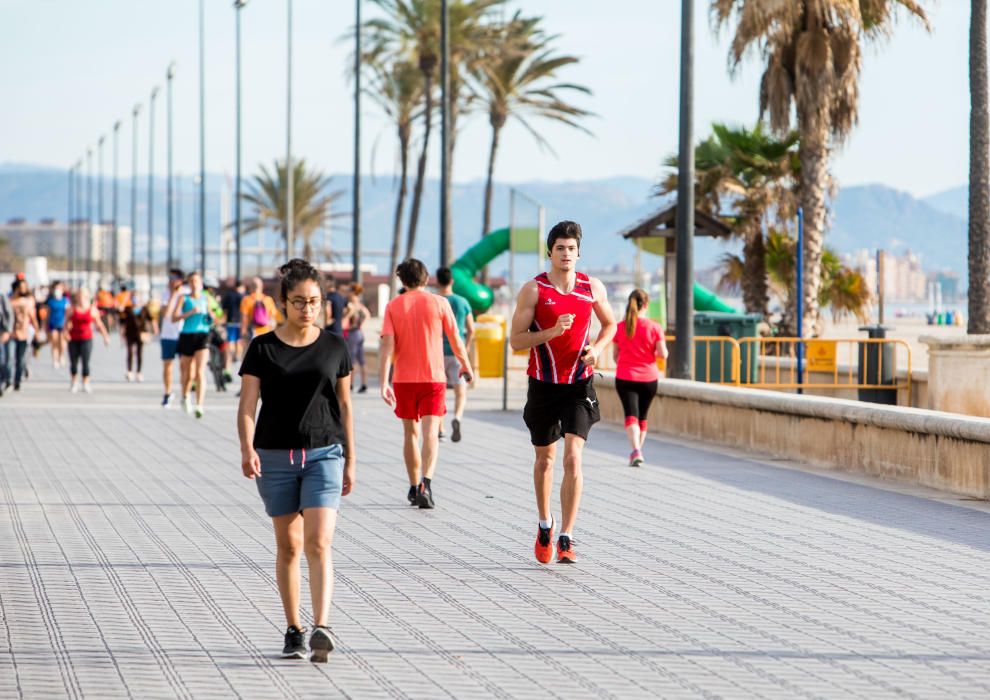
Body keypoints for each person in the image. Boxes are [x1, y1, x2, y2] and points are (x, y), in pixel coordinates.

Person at [238, 259, 355, 663]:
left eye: (314, 302)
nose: (308, 309)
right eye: (299, 302)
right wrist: (246, 447)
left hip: (325, 452)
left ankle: (322, 625)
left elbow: (345, 405)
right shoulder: (262, 348)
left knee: (318, 542)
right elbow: (248, 405)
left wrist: (352, 459)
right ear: (282, 303)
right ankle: (294, 629)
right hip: (273, 456)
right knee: (288, 546)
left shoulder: (335, 346)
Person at [509, 220, 617, 564]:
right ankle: (545, 525)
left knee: (573, 458)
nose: (566, 254)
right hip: (543, 384)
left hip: (579, 383)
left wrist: (597, 348)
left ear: (579, 252)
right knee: (545, 460)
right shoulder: (534, 290)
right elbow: (516, 341)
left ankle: (567, 536)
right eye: (560, 248)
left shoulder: (592, 287)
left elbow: (611, 324)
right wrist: (552, 332)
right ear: (550, 252)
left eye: (571, 249)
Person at [379, 258, 472, 509]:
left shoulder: (393, 306)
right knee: (431, 433)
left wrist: (383, 382)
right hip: (434, 378)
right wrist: (466, 365)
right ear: (426, 277)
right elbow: (456, 338)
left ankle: (412, 486)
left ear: (402, 280)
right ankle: (426, 483)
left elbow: (387, 347)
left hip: (404, 379)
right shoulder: (439, 302)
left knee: (410, 433)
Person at [612, 289, 668, 467]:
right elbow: (663, 354)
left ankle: (636, 450)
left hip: (625, 376)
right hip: (649, 379)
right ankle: (637, 451)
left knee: (631, 414)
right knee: (642, 416)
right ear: (646, 305)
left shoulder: (620, 327)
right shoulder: (655, 327)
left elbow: (615, 356)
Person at [435, 266, 475, 443]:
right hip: (457, 352)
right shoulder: (462, 302)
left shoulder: (434, 301)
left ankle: (441, 429)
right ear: (452, 281)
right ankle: (457, 417)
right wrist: (465, 348)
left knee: (439, 392)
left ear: (437, 281)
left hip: (436, 352)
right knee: (460, 391)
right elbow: (471, 329)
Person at [173, 271, 221, 417]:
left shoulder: (207, 298)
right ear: (189, 284)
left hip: (203, 335)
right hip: (187, 335)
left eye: (197, 281)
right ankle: (186, 396)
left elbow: (217, 316)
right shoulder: (184, 298)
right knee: (188, 372)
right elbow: (174, 318)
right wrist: (190, 312)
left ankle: (199, 405)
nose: (194, 284)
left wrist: (212, 317)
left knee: (200, 371)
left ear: (201, 284)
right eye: (192, 281)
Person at [65, 288, 111, 393]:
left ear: (87, 296)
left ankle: (86, 382)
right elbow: (66, 323)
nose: (81, 297)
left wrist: (105, 337)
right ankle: (74, 382)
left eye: (83, 295)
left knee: (85, 361)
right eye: (79, 295)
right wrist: (65, 333)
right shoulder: (71, 309)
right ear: (76, 296)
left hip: (87, 338)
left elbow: (99, 324)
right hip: (73, 338)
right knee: (73, 362)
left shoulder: (92, 309)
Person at [160, 269, 187, 408]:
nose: (170, 280)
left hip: (183, 334)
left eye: (174, 278)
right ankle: (168, 393)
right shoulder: (166, 293)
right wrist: (173, 295)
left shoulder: (186, 293)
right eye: (169, 277)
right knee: (167, 366)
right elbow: (166, 314)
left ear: (180, 280)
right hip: (167, 335)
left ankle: (184, 394)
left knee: (184, 366)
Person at [9, 279, 37, 391]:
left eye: (24, 288)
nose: (23, 290)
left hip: (24, 334)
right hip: (10, 334)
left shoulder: (28, 301)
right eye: (21, 288)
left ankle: (17, 381)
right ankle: (8, 379)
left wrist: (37, 332)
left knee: (20, 359)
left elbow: (33, 317)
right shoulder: (9, 300)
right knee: (9, 358)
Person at [122, 293, 156, 383]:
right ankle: (129, 371)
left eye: (137, 297)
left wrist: (154, 330)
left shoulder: (144, 309)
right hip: (129, 333)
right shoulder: (127, 309)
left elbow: (151, 319)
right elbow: (122, 321)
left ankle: (139, 372)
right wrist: (122, 334)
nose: (135, 299)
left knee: (139, 353)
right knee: (129, 352)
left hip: (141, 334)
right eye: (133, 297)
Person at [343, 283, 369, 393]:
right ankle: (364, 384)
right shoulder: (360, 304)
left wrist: (348, 317)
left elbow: (346, 317)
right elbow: (367, 315)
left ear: (353, 292)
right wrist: (361, 325)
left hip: (352, 333)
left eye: (349, 290)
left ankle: (351, 384)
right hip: (359, 333)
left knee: (351, 360)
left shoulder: (351, 304)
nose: (347, 292)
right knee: (361, 360)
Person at [240, 277, 279, 341]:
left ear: (250, 287)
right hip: (266, 331)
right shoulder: (268, 300)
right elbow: (273, 318)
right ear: (262, 287)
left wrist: (243, 332)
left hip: (252, 331)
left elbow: (244, 318)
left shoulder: (246, 299)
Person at [45, 281, 71, 369]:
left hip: (62, 324)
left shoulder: (65, 301)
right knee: (54, 342)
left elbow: (68, 314)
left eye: (59, 288)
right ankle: (55, 359)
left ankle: (61, 355)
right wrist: (45, 326)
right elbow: (47, 315)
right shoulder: (50, 301)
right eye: (56, 288)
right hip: (52, 324)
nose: (57, 290)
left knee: (62, 343)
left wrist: (68, 324)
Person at [221, 279, 245, 369]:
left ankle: (231, 356)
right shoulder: (243, 296)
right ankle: (238, 357)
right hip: (240, 321)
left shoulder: (228, 296)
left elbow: (224, 310)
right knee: (239, 340)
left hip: (230, 321)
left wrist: (224, 320)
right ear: (241, 287)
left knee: (230, 340)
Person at [0, 289, 11, 397]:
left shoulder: (2, 296)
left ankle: (2, 382)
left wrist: (7, 331)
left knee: (2, 360)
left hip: (1, 332)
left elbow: (8, 314)